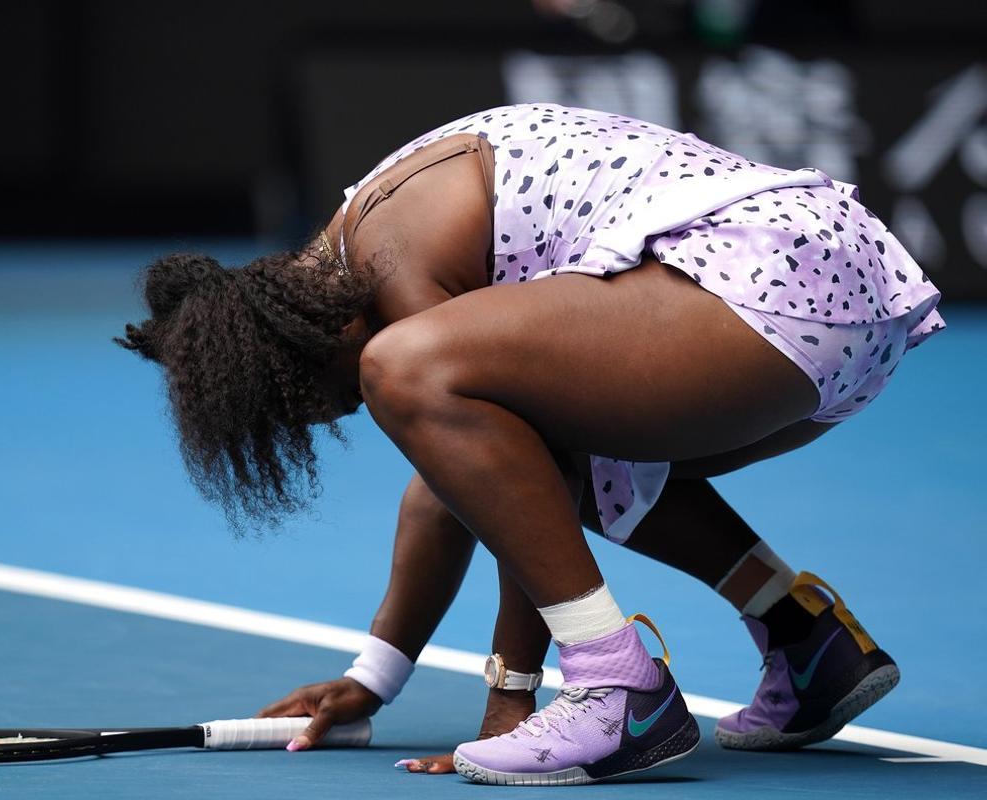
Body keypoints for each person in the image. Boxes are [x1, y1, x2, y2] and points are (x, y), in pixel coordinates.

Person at [116, 104, 943, 785]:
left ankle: (616, 687)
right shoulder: (363, 247)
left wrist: (510, 701)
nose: (340, 415)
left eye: (313, 404)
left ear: (299, 343)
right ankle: (805, 637)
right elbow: (460, 489)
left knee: (442, 402)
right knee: (524, 466)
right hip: (841, 314)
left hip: (764, 283)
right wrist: (376, 678)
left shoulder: (392, 262)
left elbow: (522, 472)